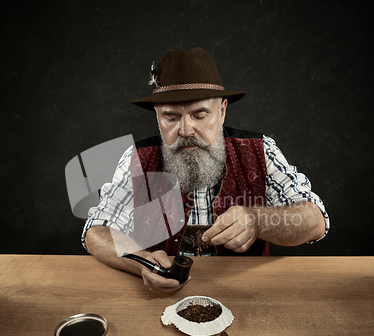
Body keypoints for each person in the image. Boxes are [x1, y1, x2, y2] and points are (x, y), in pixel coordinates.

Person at [82, 48, 329, 293]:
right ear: (158, 117)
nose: (186, 130)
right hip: (161, 299)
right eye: (171, 117)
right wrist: (141, 261)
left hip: (246, 294)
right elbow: (96, 230)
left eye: (199, 115)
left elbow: (315, 220)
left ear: (221, 111)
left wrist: (258, 220)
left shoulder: (261, 151)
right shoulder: (137, 158)